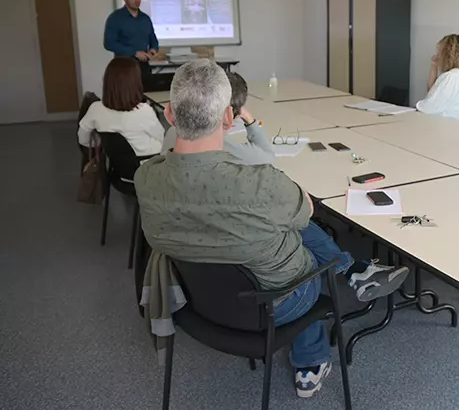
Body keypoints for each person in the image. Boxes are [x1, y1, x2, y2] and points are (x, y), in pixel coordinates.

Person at [135, 60, 409, 399]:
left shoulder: (146, 177)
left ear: (170, 115)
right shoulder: (261, 183)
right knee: (297, 243)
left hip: (194, 301)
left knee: (274, 230)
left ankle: (352, 272)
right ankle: (314, 354)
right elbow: (305, 211)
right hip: (275, 305)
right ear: (228, 117)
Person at [161, 72, 274, 165]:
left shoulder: (172, 132)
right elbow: (268, 157)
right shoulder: (227, 149)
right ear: (229, 116)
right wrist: (251, 122)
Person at [78, 58, 163, 156]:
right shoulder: (145, 110)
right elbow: (161, 138)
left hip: (116, 166)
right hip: (147, 165)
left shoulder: (95, 109)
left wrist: (104, 144)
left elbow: (83, 139)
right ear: (136, 83)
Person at [103, 0, 159, 88]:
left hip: (143, 67)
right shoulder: (115, 18)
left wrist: (153, 50)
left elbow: (153, 39)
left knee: (144, 99)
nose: (137, 0)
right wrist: (135, 52)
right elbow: (109, 43)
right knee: (126, 99)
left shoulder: (145, 18)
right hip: (124, 67)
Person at [415, 34, 459, 120]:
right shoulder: (458, 75)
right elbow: (432, 92)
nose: (437, 56)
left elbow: (429, 107)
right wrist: (434, 65)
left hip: (442, 126)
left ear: (448, 54)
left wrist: (416, 106)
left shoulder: (452, 77)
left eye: (439, 51)